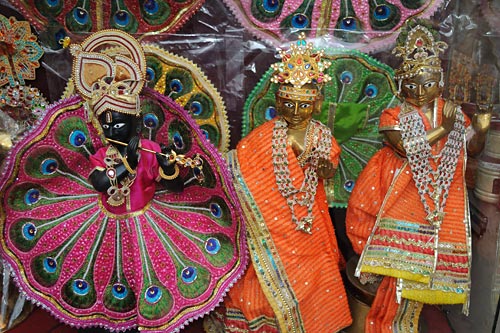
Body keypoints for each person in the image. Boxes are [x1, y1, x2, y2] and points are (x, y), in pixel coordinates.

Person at [0, 30, 247, 332]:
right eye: (107, 124)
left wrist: (170, 165)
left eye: (120, 123)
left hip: (150, 220)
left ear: (135, 123)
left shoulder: (151, 148)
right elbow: (102, 184)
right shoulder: (101, 154)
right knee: (111, 279)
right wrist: (128, 162)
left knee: (148, 275)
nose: (113, 130)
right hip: (105, 223)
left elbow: (176, 188)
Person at [346, 22, 491, 332]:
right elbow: (406, 147)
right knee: (378, 229)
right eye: (413, 85)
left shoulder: (448, 109)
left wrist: (481, 126)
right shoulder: (396, 114)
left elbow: (473, 149)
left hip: (439, 192)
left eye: (428, 84)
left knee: (431, 252)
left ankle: (425, 272)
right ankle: (392, 266)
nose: (420, 92)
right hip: (396, 186)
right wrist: (444, 128)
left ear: (439, 82)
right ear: (402, 85)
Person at [206, 33, 352, 333]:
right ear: (277, 101)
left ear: (317, 104)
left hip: (308, 220)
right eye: (288, 105)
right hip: (268, 224)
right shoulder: (266, 135)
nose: (295, 113)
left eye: (303, 106)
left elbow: (328, 170)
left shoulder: (321, 135)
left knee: (317, 269)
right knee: (260, 272)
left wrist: (321, 165)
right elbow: (240, 167)